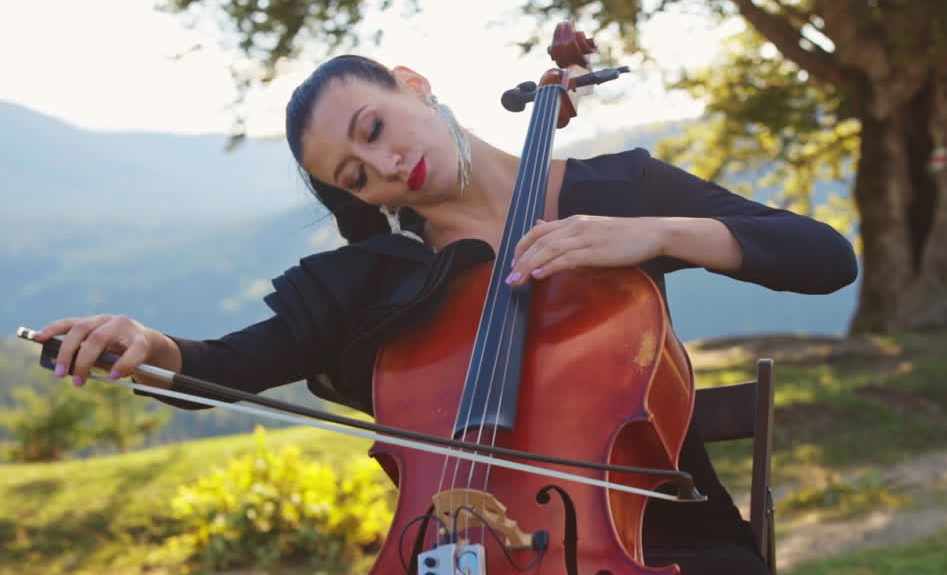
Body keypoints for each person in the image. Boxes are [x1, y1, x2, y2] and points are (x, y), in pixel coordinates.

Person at [34, 54, 858, 574]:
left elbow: (826, 259)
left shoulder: (617, 194)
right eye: (358, 177)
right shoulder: (380, 280)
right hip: (448, 555)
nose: (386, 167)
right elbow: (228, 367)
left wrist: (655, 232)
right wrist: (146, 345)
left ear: (415, 85)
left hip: (649, 546)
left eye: (375, 129)